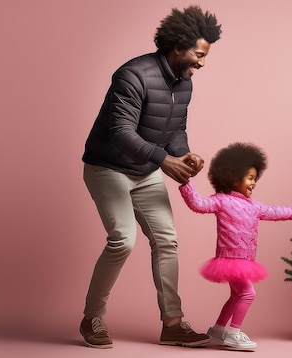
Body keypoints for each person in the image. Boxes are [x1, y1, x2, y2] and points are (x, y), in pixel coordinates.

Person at [80, 5, 222, 349]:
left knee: (167, 240)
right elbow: (120, 133)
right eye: (199, 55)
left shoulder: (184, 83)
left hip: (144, 171)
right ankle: (92, 318)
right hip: (107, 167)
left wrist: (183, 155)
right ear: (177, 46)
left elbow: (175, 130)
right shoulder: (133, 75)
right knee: (122, 239)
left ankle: (173, 324)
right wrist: (164, 161)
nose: (202, 62)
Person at [179, 142, 292, 350]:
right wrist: (186, 183)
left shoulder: (254, 206)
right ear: (233, 177)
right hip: (230, 260)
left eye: (255, 178)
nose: (254, 183)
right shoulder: (221, 200)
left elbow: (275, 212)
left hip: (244, 260)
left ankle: (218, 329)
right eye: (250, 178)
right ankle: (233, 332)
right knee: (248, 294)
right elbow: (198, 204)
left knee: (237, 295)